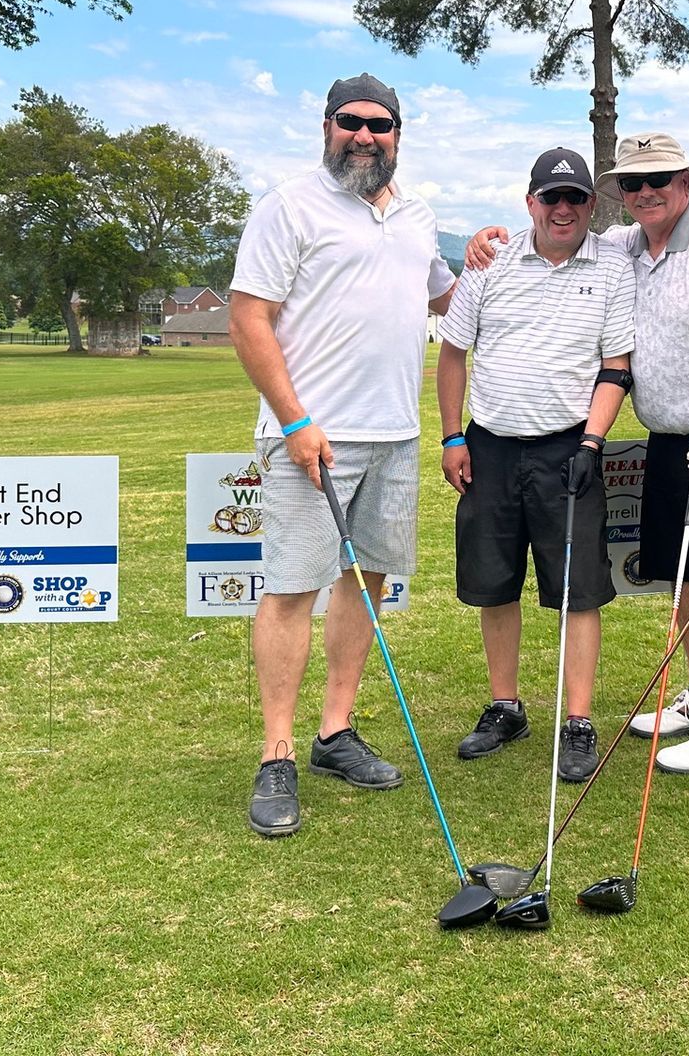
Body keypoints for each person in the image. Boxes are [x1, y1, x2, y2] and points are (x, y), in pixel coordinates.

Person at [464, 132, 689, 771]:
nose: (645, 193)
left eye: (658, 182)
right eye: (633, 185)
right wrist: (487, 238)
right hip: (670, 440)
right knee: (687, 575)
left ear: (686, 185)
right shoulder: (622, 246)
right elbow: (555, 236)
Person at [226, 74, 456, 838]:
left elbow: (444, 299)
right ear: (327, 126)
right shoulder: (287, 206)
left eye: (380, 125)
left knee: (369, 582)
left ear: (398, 134)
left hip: (396, 434)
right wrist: (295, 421)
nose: (365, 136)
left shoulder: (419, 218)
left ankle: (334, 733)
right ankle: (277, 754)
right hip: (310, 438)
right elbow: (249, 317)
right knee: (293, 588)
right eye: (351, 123)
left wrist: (491, 253)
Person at [436, 148, 636, 783]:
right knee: (493, 583)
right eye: (551, 197)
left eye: (575, 197)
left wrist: (593, 442)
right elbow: (452, 354)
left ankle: (577, 720)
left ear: (590, 205)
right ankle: (506, 706)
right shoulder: (489, 261)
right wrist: (449, 437)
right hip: (490, 444)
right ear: (530, 204)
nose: (563, 208)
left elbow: (616, 367)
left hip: (568, 447)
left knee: (577, 591)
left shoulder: (611, 265)